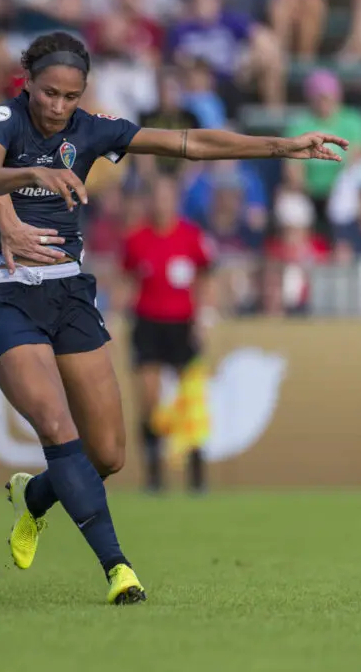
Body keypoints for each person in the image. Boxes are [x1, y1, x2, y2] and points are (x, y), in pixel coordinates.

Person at [0, 31, 347, 605]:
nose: (57, 107)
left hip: (68, 291)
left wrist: (281, 147)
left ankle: (37, 497)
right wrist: (31, 176)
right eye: (48, 93)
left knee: (109, 456)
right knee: (54, 425)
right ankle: (119, 568)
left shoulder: (90, 129)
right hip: (4, 291)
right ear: (28, 81)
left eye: (71, 96)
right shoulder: (4, 117)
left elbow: (189, 143)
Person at [122, 173, 216, 494]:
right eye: (156, 196)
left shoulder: (191, 237)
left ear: (176, 200)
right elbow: (125, 279)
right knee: (148, 397)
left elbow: (206, 276)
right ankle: (154, 473)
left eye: (167, 196)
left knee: (190, 399)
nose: (162, 203)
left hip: (182, 324)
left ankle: (197, 472)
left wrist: (204, 317)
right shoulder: (137, 240)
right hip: (148, 323)